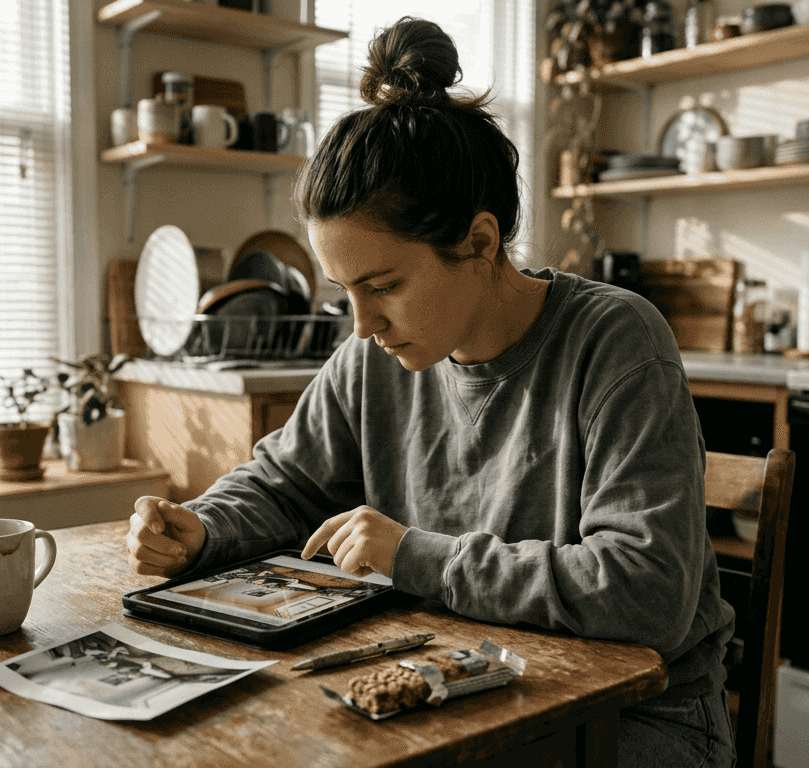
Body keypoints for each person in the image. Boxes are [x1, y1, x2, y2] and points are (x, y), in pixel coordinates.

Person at [125, 16, 735, 767]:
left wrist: (420, 557)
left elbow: (648, 593)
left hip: (640, 716)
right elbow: (283, 482)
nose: (361, 323)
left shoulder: (616, 341)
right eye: (345, 290)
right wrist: (205, 527)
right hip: (453, 687)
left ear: (479, 242)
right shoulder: (374, 355)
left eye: (382, 286)